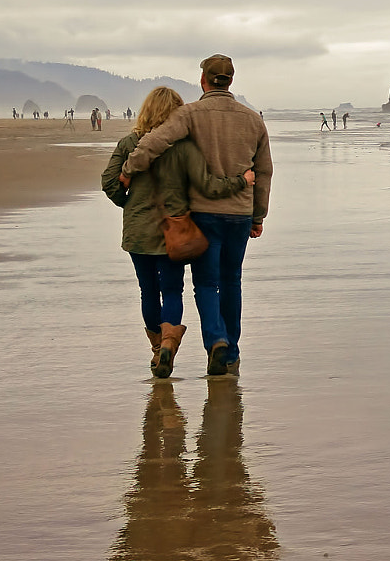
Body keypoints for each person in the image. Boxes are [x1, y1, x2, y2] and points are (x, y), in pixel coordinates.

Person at [121, 55, 273, 377]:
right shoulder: (253, 120)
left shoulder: (190, 114)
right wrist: (258, 215)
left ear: (203, 80)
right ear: (230, 81)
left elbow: (155, 141)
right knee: (232, 281)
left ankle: (215, 340)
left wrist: (129, 168)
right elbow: (264, 171)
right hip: (240, 214)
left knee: (206, 283)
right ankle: (229, 351)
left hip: (204, 213)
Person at [103, 87, 251, 379]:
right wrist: (241, 181)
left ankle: (159, 349)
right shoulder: (185, 148)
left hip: (138, 231)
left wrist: (128, 202)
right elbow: (208, 185)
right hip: (176, 230)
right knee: (172, 290)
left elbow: (110, 183)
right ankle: (170, 343)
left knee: (148, 291)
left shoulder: (129, 143)